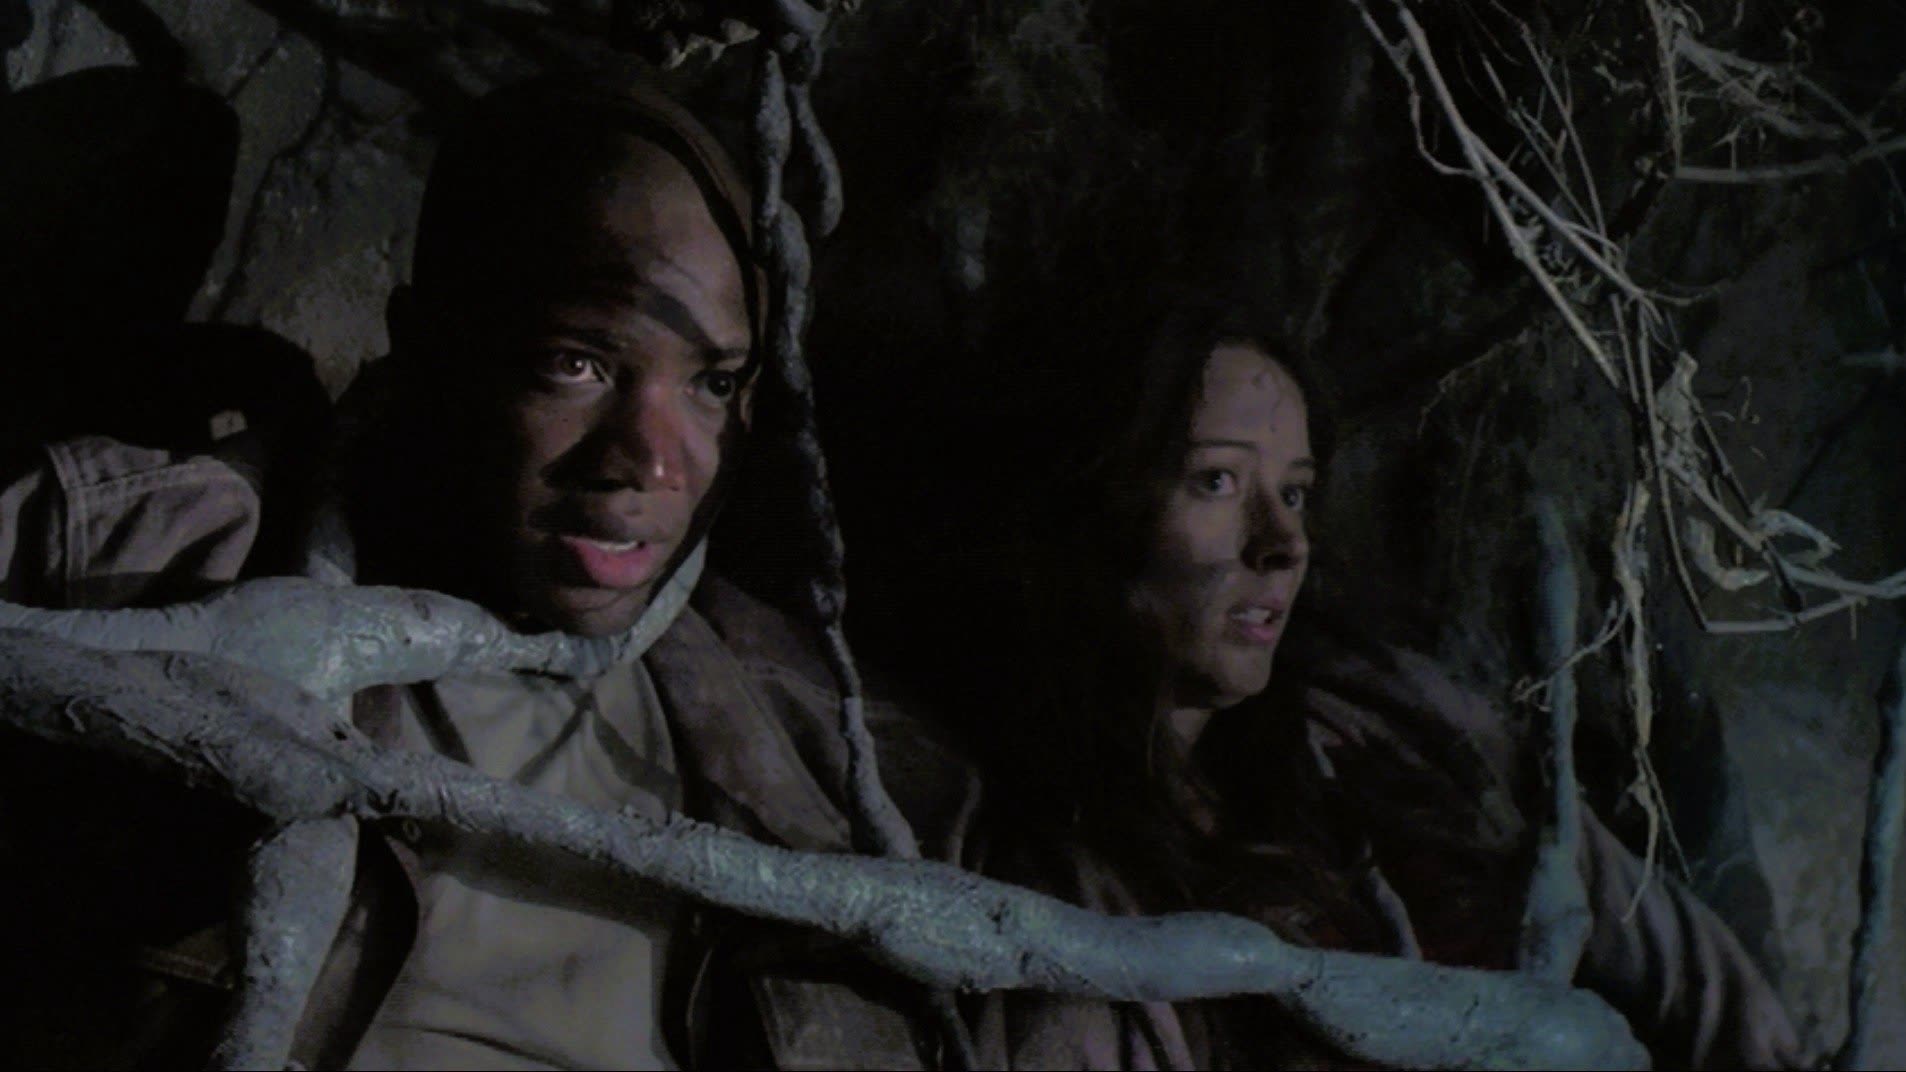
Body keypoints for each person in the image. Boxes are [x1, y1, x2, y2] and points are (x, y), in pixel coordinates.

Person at [0, 77, 970, 1070]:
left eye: (712, 383)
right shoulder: (141, 556)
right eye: (578, 363)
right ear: (427, 347)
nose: (650, 461)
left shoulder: (819, 750)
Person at [951, 237, 1805, 1069]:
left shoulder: (1369, 722)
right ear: (1096, 502)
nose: (1284, 541)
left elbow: (1617, 900)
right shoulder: (1063, 896)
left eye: (1295, 492)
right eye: (1217, 480)